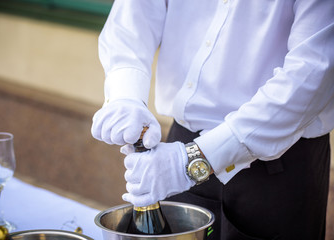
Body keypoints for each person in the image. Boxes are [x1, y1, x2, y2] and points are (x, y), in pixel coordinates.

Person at [91, 1, 334, 239]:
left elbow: (315, 69)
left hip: (279, 165)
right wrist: (127, 95)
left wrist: (191, 162)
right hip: (177, 148)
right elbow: (133, 18)